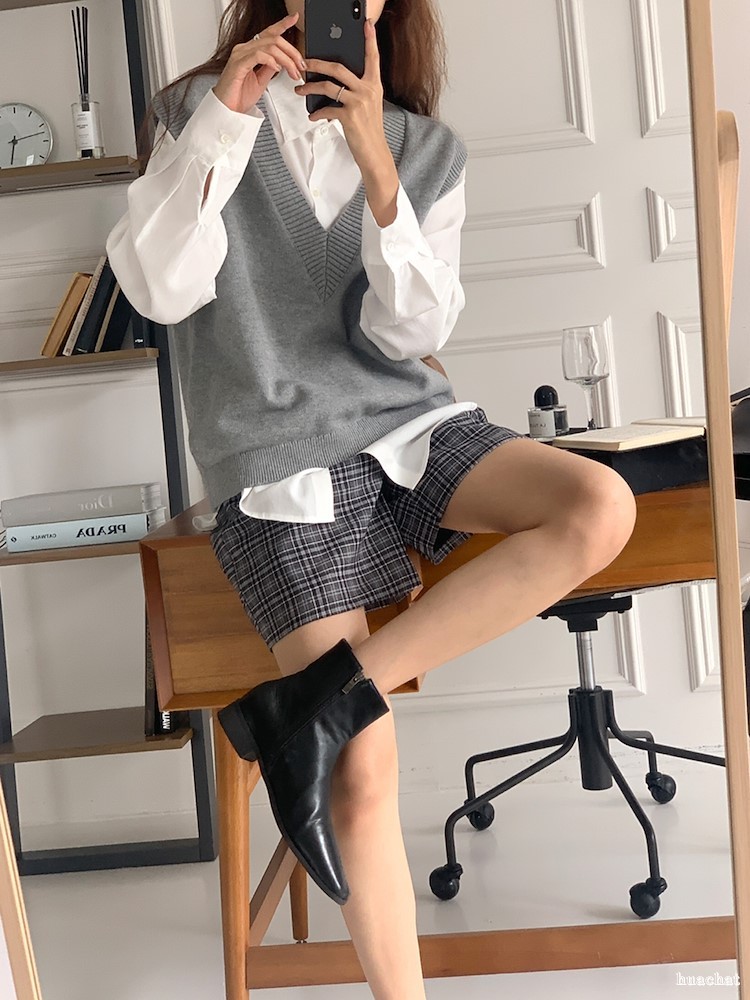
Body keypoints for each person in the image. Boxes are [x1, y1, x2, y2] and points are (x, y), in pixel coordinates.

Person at [106, 1, 637, 995]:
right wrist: (226, 116)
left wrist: (377, 165)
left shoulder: (425, 148)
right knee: (360, 769)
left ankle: (306, 710)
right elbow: (159, 289)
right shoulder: (195, 112)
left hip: (408, 422)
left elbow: (411, 336)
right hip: (277, 455)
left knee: (599, 506)